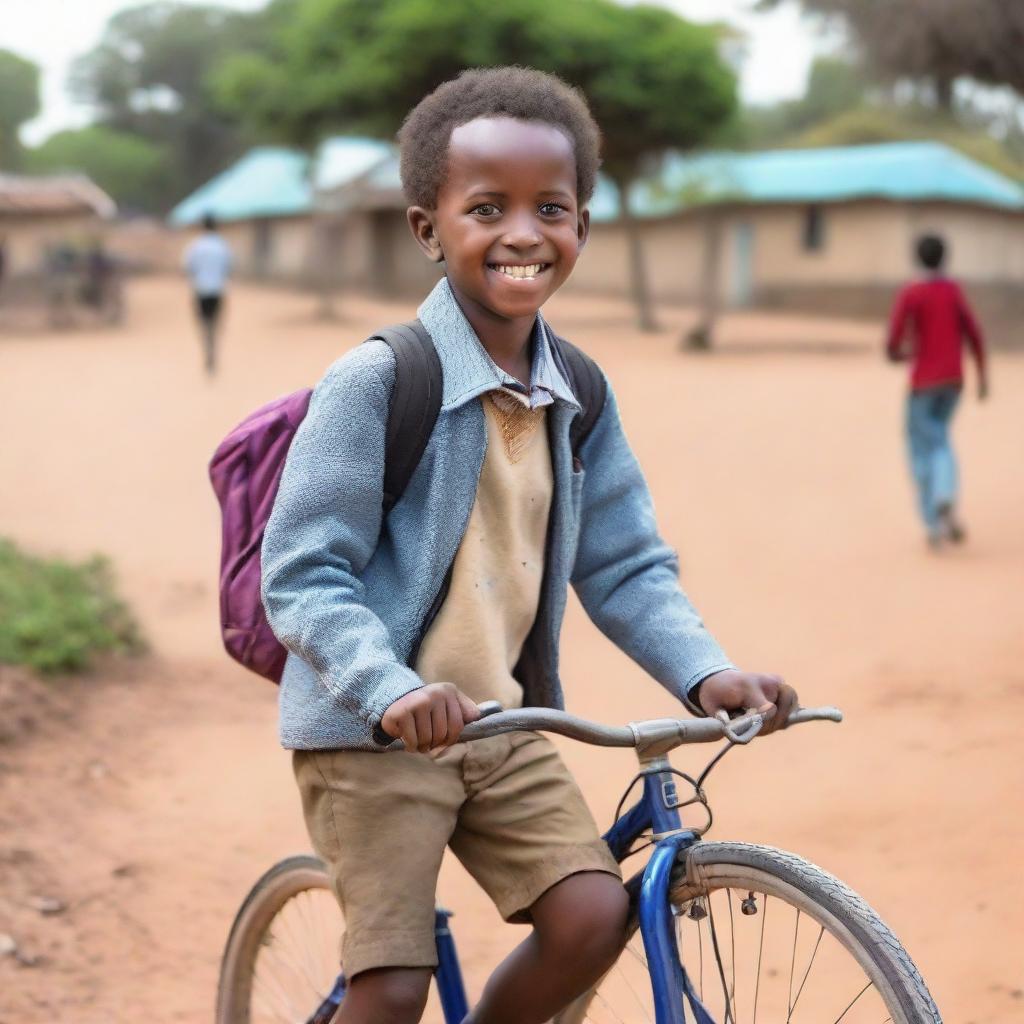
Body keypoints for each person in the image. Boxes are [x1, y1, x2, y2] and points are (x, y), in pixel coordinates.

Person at [261, 67, 798, 1024]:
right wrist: (390, 690)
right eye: (487, 207)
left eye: (551, 207)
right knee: (390, 988)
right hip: (373, 735)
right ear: (429, 229)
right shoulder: (378, 380)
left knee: (594, 917)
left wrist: (704, 673)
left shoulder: (577, 391)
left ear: (582, 228)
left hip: (500, 729)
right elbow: (302, 574)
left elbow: (624, 562)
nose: (523, 233)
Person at [886, 233, 987, 548]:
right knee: (941, 437)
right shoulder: (953, 290)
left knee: (920, 448)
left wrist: (901, 354)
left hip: (923, 384)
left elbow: (893, 342)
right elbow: (974, 332)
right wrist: (983, 376)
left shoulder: (913, 293)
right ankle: (946, 503)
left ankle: (934, 517)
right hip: (954, 382)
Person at [183, 213, 232, 374]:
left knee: (204, 323)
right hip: (218, 290)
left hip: (201, 290)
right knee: (215, 322)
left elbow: (188, 268)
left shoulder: (196, 246)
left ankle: (208, 348)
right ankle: (213, 347)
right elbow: (228, 268)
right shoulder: (222, 246)